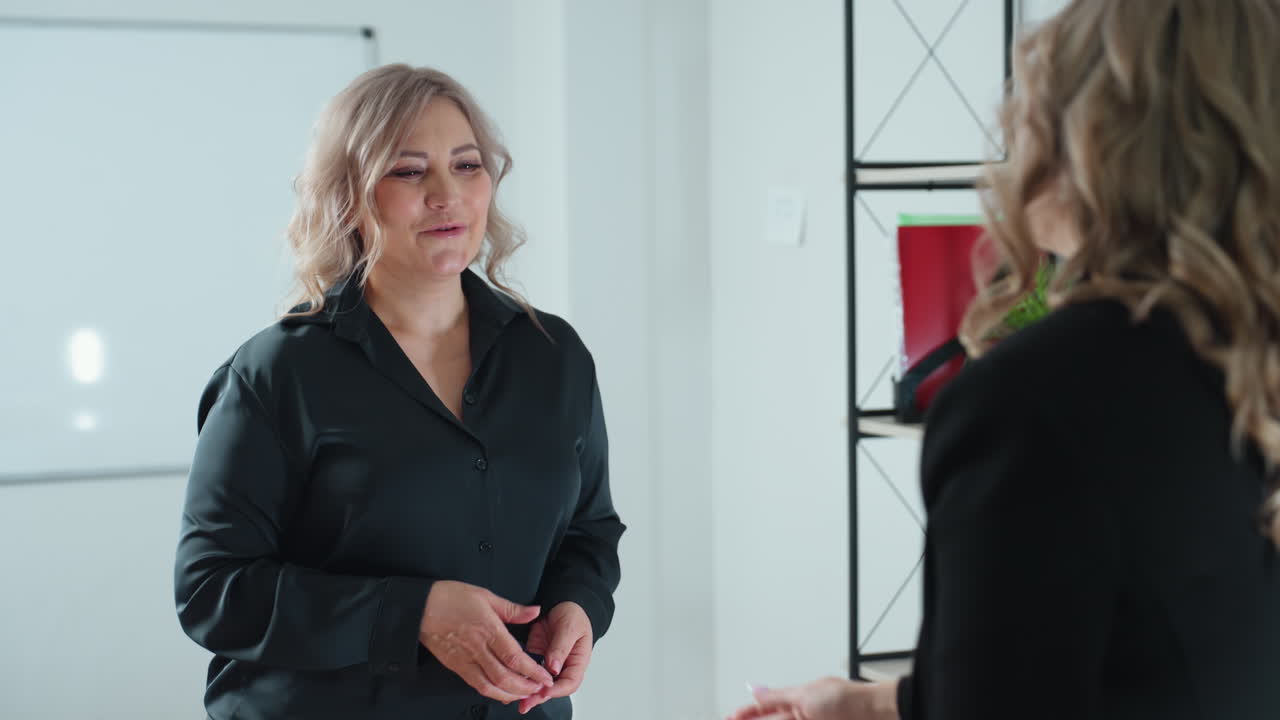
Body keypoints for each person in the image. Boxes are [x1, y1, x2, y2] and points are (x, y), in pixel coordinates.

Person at [729, 0, 1280, 717]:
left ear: (1094, 135)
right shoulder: (1242, 365)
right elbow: (1128, 665)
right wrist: (861, 704)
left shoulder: (1031, 406)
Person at [174, 64, 624, 720]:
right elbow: (211, 589)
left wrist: (578, 605)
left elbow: (591, 527)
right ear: (350, 195)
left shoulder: (552, 356)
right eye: (409, 171)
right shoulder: (277, 372)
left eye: (467, 165)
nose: (448, 194)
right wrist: (411, 613)